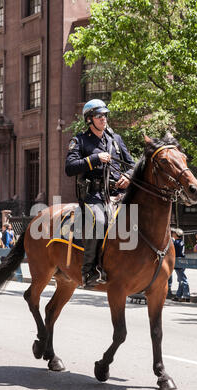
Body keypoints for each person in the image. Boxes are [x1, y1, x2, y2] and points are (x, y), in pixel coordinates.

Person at [65, 99, 134, 288]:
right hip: (93, 195)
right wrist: (94, 159)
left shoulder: (115, 139)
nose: (103, 119)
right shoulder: (79, 140)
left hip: (118, 193)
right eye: (99, 116)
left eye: (105, 115)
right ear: (89, 120)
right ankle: (89, 271)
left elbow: (132, 164)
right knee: (100, 221)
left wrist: (128, 176)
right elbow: (70, 168)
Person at [171, 228, 190, 302]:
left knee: (182, 279)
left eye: (174, 233)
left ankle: (186, 295)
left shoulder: (175, 242)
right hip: (182, 260)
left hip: (178, 261)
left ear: (176, 234)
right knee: (181, 279)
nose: (173, 234)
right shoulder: (181, 242)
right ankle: (178, 295)